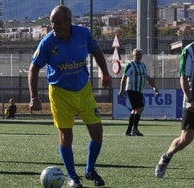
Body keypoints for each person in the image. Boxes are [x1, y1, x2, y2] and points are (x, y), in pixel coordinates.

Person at [28, 5, 111, 188]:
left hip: (84, 90)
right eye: (51, 23)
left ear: (68, 22)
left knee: (97, 133)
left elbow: (96, 51)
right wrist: (34, 97)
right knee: (66, 137)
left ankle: (90, 170)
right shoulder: (48, 42)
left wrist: (105, 73)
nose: (53, 27)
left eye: (57, 23)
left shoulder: (83, 34)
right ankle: (73, 177)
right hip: (60, 94)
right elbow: (34, 68)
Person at [155, 16, 194, 180]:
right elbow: (183, 77)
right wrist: (189, 99)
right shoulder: (189, 51)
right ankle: (166, 157)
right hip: (193, 104)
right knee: (185, 140)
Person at [118, 48, 158, 136]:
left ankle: (129, 130)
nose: (139, 56)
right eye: (137, 55)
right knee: (139, 108)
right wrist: (121, 90)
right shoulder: (130, 65)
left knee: (135, 110)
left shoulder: (143, 66)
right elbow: (124, 78)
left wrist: (154, 87)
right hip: (131, 90)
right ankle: (134, 129)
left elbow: (147, 77)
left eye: (140, 54)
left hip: (139, 90)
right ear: (133, 56)